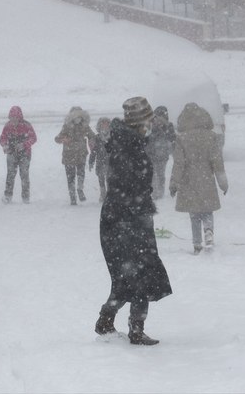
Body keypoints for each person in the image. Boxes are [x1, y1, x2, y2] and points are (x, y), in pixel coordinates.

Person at [95, 97, 172, 346]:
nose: (151, 125)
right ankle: (136, 329)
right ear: (140, 122)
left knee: (128, 275)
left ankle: (107, 320)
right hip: (126, 221)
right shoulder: (128, 147)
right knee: (141, 275)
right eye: (148, 120)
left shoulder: (128, 143)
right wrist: (139, 208)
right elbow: (129, 187)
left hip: (123, 218)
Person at [169, 102, 228, 254]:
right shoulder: (211, 137)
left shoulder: (182, 138)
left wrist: (174, 183)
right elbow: (217, 162)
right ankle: (208, 230)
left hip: (189, 181)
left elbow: (179, 163)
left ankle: (197, 244)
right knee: (207, 210)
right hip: (206, 179)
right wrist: (223, 183)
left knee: (194, 214)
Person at [54, 106, 95, 205]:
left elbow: (92, 136)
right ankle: (72, 197)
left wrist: (91, 141)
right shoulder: (66, 126)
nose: (77, 118)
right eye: (75, 116)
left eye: (79, 116)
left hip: (80, 154)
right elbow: (57, 139)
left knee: (80, 174)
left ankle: (79, 189)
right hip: (69, 155)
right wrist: (63, 139)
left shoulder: (85, 126)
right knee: (71, 177)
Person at [0, 106, 37, 204]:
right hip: (11, 154)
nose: (13, 119)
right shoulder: (7, 126)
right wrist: (5, 145)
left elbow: (33, 138)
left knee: (24, 176)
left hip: (25, 154)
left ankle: (25, 198)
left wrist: (24, 145)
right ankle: (8, 196)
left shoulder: (27, 125)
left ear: (19, 117)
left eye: (15, 117)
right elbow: (2, 138)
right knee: (10, 175)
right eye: (11, 117)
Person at [146, 106, 176, 200]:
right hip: (152, 154)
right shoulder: (150, 125)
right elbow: (147, 138)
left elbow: (172, 138)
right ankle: (155, 193)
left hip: (163, 155)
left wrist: (164, 128)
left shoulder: (169, 125)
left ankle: (160, 192)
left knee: (160, 174)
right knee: (153, 174)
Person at [89, 117, 112, 203]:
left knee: (109, 179)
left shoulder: (113, 137)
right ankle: (103, 195)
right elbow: (94, 151)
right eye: (103, 123)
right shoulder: (97, 138)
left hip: (110, 162)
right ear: (99, 125)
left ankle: (110, 195)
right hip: (100, 162)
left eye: (107, 123)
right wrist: (91, 161)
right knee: (101, 179)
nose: (105, 125)